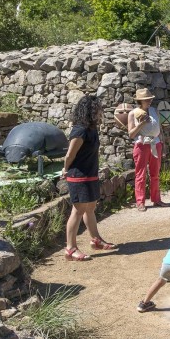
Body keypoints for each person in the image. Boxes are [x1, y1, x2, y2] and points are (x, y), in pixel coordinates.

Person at [62, 95, 114, 261]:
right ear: (91, 110)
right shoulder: (80, 130)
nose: (101, 111)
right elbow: (70, 155)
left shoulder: (92, 129)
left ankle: (96, 240)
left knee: (90, 208)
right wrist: (65, 169)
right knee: (77, 211)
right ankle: (70, 248)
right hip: (78, 176)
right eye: (98, 108)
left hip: (90, 174)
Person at [128, 88, 165, 212]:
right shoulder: (133, 113)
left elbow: (159, 129)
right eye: (146, 99)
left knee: (155, 174)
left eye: (150, 99)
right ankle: (140, 202)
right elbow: (131, 134)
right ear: (140, 101)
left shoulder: (154, 111)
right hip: (141, 145)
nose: (149, 101)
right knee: (141, 174)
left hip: (156, 144)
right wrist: (141, 124)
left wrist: (162, 145)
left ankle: (156, 199)